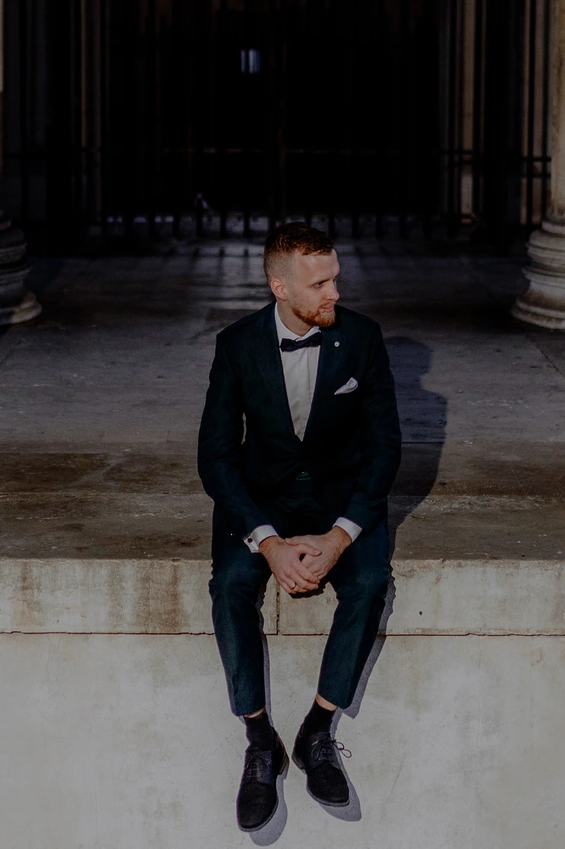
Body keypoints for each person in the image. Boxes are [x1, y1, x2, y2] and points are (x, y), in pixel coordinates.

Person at [197, 222, 402, 831]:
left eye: (335, 277)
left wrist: (340, 536)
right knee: (231, 585)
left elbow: (385, 449)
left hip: (341, 502)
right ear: (278, 286)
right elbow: (216, 456)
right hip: (262, 503)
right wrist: (267, 542)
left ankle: (317, 728)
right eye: (320, 283)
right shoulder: (235, 344)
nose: (335, 292)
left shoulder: (363, 339)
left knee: (368, 584)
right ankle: (260, 739)